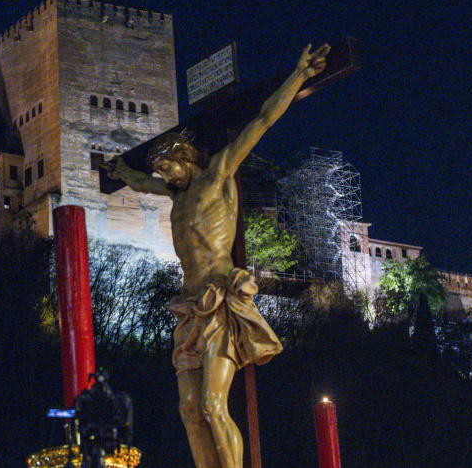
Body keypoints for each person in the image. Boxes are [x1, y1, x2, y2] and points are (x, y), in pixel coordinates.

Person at [103, 43, 330, 468]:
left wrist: (298, 75)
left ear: (186, 160)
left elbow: (261, 121)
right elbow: (138, 182)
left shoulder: (217, 176)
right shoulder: (174, 195)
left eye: (168, 166)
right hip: (189, 310)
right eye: (161, 171)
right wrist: (121, 171)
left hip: (219, 300)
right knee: (189, 411)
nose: (164, 175)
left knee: (212, 405)